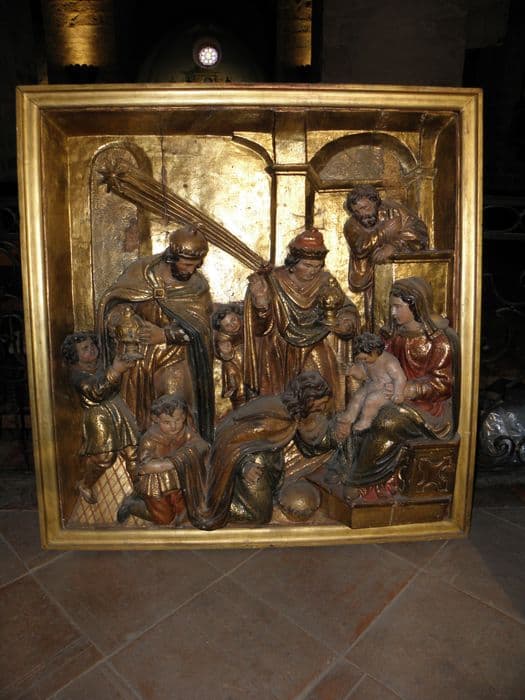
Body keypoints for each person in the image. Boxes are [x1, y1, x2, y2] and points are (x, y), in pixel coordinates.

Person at [335, 276, 458, 488]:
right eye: (391, 307)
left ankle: (362, 482)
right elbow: (377, 364)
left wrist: (410, 389)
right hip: (388, 393)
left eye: (398, 307)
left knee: (385, 420)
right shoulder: (392, 335)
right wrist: (361, 371)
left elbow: (443, 384)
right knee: (357, 406)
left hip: (426, 408)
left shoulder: (438, 341)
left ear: (416, 305)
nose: (393, 313)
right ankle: (345, 467)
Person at [97, 224, 214, 440]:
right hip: (138, 358)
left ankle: (180, 457)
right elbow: (115, 304)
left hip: (174, 357)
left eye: (195, 265)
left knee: (174, 410)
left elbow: (202, 327)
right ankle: (144, 455)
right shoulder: (141, 272)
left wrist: (165, 335)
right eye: (186, 264)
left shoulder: (197, 286)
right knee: (137, 417)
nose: (191, 270)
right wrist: (124, 320)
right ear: (172, 257)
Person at [184, 370, 334, 530]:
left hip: (268, 467)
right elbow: (228, 440)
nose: (323, 407)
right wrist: (244, 465)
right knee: (259, 516)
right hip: (250, 468)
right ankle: (219, 504)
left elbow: (308, 444)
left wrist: (336, 434)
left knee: (262, 512)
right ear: (308, 400)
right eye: (320, 403)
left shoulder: (291, 414)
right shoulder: (272, 417)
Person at [244, 228, 359, 410]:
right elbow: (259, 329)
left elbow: (345, 307)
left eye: (317, 266)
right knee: (283, 401)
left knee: (319, 390)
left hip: (316, 343)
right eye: (307, 265)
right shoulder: (272, 281)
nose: (313, 271)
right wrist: (261, 303)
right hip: (280, 348)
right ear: (293, 262)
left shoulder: (326, 280)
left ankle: (321, 423)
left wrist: (346, 321)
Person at [61, 332, 139, 505]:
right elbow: (96, 391)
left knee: (133, 451)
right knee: (104, 457)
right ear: (75, 355)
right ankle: (86, 483)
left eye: (92, 345)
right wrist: (115, 370)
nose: (92, 349)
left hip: (118, 409)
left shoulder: (100, 364)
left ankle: (141, 492)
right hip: (98, 416)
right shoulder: (77, 375)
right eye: (85, 349)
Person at [343, 185, 428, 330]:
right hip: (372, 278)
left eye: (365, 208)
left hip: (403, 272)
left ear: (375, 202)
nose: (362, 214)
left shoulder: (395, 211)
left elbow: (418, 232)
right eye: (357, 211)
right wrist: (384, 231)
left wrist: (393, 246)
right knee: (379, 314)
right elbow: (361, 247)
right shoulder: (352, 224)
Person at [117, 394, 209, 526]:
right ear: (156, 419)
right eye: (167, 422)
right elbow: (145, 467)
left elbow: (203, 445)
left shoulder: (186, 432)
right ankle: (133, 506)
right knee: (164, 519)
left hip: (180, 482)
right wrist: (171, 463)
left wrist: (181, 457)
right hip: (156, 485)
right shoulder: (150, 439)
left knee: (184, 514)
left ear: (183, 417)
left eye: (177, 420)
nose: (173, 426)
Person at [338, 332, 406, 432]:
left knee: (371, 400)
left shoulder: (389, 361)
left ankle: (366, 421)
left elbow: (400, 378)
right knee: (358, 396)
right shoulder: (366, 361)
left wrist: (398, 393)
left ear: (374, 352)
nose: (363, 361)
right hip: (372, 385)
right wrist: (354, 371)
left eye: (365, 358)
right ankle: (349, 416)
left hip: (386, 391)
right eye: (361, 359)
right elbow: (363, 375)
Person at [211, 304, 245, 409]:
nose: (232, 325)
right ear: (222, 329)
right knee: (231, 361)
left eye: (233, 320)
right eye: (227, 325)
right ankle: (237, 387)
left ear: (238, 315)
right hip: (237, 365)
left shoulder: (247, 323)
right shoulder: (222, 337)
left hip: (256, 360)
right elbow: (219, 349)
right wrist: (225, 352)